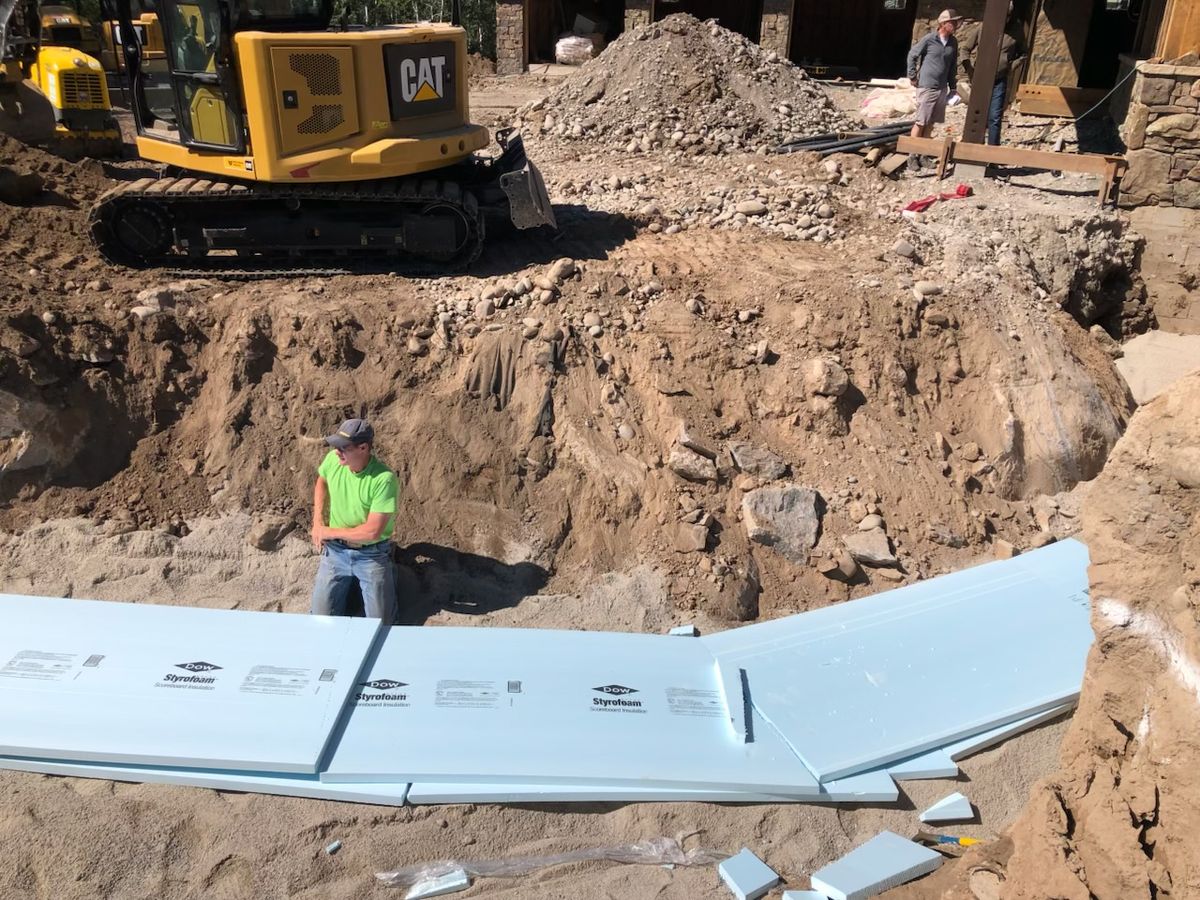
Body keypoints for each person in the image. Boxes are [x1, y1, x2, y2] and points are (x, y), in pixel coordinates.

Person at [309, 418, 399, 622]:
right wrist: (318, 521)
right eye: (336, 446)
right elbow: (322, 481)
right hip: (335, 551)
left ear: (363, 448)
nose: (337, 451)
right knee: (320, 620)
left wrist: (328, 532)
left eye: (343, 447)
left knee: (380, 624)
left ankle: (392, 571)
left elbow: (372, 532)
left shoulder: (383, 479)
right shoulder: (333, 460)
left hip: (371, 554)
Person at [961, 5, 1025, 145]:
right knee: (977, 112)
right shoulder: (983, 28)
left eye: (1008, 17)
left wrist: (1011, 66)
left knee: (994, 116)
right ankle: (973, 144)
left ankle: (993, 148)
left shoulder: (1016, 31)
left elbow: (1023, 53)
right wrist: (969, 68)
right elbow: (965, 49)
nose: (1005, 19)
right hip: (981, 77)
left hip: (999, 79)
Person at [906, 9, 963, 150]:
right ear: (943, 23)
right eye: (952, 22)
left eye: (956, 22)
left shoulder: (953, 42)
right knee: (921, 122)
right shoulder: (930, 39)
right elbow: (912, 55)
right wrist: (912, 76)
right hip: (927, 85)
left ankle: (923, 153)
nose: (956, 25)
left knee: (931, 123)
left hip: (942, 87)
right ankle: (912, 153)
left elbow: (952, 66)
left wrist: (953, 87)